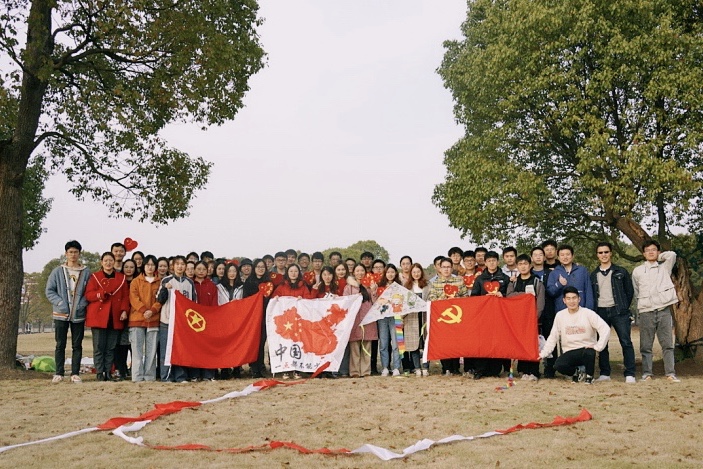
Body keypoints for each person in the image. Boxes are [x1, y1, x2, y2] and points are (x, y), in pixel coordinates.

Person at [540, 286, 611, 384]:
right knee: (558, 365)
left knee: (589, 352)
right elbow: (553, 337)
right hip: (569, 351)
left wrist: (598, 347)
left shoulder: (588, 313)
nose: (571, 301)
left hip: (586, 350)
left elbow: (605, 329)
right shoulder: (560, 315)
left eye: (574, 298)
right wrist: (543, 354)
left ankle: (589, 376)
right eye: (568, 299)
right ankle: (577, 373)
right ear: (564, 301)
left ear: (579, 299)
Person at [632, 240, 680, 382]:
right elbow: (636, 290)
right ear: (643, 253)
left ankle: (670, 373)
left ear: (658, 252)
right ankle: (647, 373)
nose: (651, 252)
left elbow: (672, 255)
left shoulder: (664, 267)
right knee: (646, 345)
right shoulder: (638, 271)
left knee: (667, 344)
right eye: (647, 250)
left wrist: (658, 257)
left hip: (663, 309)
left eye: (653, 249)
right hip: (646, 311)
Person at [590, 242, 636, 383]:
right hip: (600, 311)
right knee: (602, 343)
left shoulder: (621, 271)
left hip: (619, 311)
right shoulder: (593, 274)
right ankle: (605, 373)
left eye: (606, 252)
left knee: (625, 341)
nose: (603, 255)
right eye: (600, 252)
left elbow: (629, 291)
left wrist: (623, 307)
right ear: (597, 255)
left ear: (611, 253)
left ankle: (630, 373)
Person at [46, 240, 90, 384]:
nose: (73, 255)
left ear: (79, 253)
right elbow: (49, 290)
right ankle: (59, 373)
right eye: (70, 252)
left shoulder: (86, 272)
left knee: (77, 345)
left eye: (76, 252)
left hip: (78, 314)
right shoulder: (57, 271)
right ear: (66, 253)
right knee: (60, 344)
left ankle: (75, 373)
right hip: (61, 313)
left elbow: (89, 291)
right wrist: (60, 303)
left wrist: (82, 304)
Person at [85, 252, 130, 382]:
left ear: (114, 262)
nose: (108, 263)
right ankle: (100, 372)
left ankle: (108, 372)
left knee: (111, 347)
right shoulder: (95, 277)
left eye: (111, 260)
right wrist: (100, 294)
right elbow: (88, 295)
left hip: (114, 317)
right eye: (106, 260)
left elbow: (125, 296)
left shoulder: (121, 278)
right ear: (101, 262)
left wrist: (124, 310)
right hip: (99, 316)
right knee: (99, 347)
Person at [470, 251, 510, 379]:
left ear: (498, 262)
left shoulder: (505, 278)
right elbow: (473, 297)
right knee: (482, 341)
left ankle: (495, 369)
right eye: (489, 261)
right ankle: (479, 369)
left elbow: (510, 297)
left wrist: (502, 296)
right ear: (485, 263)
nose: (491, 263)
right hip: (483, 316)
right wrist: (484, 299)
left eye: (494, 260)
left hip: (500, 316)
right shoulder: (480, 279)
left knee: (497, 341)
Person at [271, 264, 314, 379]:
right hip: (286, 322)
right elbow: (274, 298)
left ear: (299, 273)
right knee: (286, 343)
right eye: (291, 271)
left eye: (295, 271)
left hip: (299, 321)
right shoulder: (282, 286)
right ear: (287, 273)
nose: (293, 273)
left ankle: (297, 369)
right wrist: (276, 299)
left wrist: (303, 300)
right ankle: (286, 369)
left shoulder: (303, 286)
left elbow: (309, 300)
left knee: (298, 344)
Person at [507, 254, 545, 380]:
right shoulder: (514, 282)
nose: (523, 267)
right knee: (520, 345)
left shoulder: (537, 282)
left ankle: (534, 371)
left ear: (530, 265)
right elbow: (509, 296)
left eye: (525, 264)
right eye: (520, 264)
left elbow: (540, 302)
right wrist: (526, 295)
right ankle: (522, 370)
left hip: (532, 320)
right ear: (517, 266)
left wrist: (535, 318)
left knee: (532, 345)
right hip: (517, 320)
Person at [156, 255, 194, 383]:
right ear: (173, 266)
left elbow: (193, 303)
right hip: (167, 321)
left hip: (182, 323)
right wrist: (165, 289)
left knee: (180, 350)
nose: (180, 266)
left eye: (182, 264)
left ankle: (180, 376)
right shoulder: (167, 280)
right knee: (166, 350)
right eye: (177, 264)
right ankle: (166, 376)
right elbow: (159, 299)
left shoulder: (189, 283)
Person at [428, 257, 468, 376]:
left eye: (448, 267)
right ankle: (446, 368)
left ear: (452, 268)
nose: (446, 269)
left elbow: (466, 297)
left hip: (456, 316)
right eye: (444, 267)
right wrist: (444, 296)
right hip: (442, 318)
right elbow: (431, 299)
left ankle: (456, 368)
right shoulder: (434, 283)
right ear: (439, 268)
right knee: (444, 342)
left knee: (456, 342)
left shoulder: (459, 281)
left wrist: (456, 298)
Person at [128, 255, 161, 382]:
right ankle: (137, 376)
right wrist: (144, 310)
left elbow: (161, 299)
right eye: (148, 265)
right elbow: (134, 298)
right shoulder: (136, 281)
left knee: (151, 351)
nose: (150, 267)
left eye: (152, 265)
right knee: (137, 350)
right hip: (137, 319)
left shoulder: (160, 282)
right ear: (143, 266)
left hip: (154, 319)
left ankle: (149, 376)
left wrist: (152, 311)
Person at [344, 264, 379, 378]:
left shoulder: (369, 285)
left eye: (362, 270)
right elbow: (345, 302)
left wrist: (374, 291)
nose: (360, 273)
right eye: (357, 271)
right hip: (354, 320)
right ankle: (354, 371)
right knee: (354, 348)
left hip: (367, 319)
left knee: (367, 346)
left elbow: (375, 303)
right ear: (353, 272)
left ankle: (365, 371)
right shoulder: (349, 287)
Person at [243, 259, 273, 379]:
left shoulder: (269, 283)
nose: (260, 269)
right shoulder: (249, 283)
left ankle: (261, 366)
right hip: (252, 317)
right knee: (253, 342)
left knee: (262, 342)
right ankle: (253, 367)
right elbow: (246, 300)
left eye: (262, 267)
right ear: (254, 268)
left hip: (265, 316)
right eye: (258, 267)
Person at [546, 244, 594, 312]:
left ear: (573, 256)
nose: (565, 257)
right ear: (558, 257)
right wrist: (559, 284)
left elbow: (588, 291)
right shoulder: (554, 273)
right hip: (562, 311)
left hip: (581, 311)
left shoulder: (582, 271)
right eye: (562, 255)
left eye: (568, 254)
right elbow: (551, 292)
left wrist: (589, 310)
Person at [405, 263, 430, 376]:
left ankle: (425, 367)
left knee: (426, 342)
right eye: (414, 272)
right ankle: (417, 367)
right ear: (411, 273)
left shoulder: (428, 285)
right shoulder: (407, 286)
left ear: (421, 272)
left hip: (425, 317)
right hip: (411, 317)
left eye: (418, 271)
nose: (416, 274)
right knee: (413, 343)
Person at [377, 264, 402, 377]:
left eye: (392, 272)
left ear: (395, 273)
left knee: (396, 343)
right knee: (383, 343)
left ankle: (396, 367)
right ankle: (385, 367)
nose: (390, 274)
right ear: (385, 274)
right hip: (382, 317)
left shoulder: (399, 287)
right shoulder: (380, 286)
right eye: (388, 272)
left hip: (396, 317)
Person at [114, 258, 137, 380]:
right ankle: (121, 370)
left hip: (135, 317)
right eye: (126, 267)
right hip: (121, 317)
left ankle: (134, 370)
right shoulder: (119, 281)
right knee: (121, 345)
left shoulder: (138, 281)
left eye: (131, 267)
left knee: (134, 346)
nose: (129, 269)